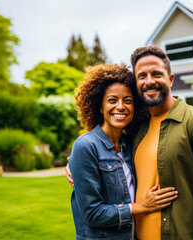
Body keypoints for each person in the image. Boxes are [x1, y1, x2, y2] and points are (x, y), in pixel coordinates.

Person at [67, 47, 193, 240]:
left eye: (156, 74)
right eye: (142, 76)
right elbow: (103, 157)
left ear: (170, 79)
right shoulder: (136, 129)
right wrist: (74, 165)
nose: (149, 81)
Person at [69, 63, 178, 240]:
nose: (121, 107)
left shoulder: (131, 144)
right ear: (100, 106)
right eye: (112, 100)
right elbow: (92, 214)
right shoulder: (86, 146)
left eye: (128, 101)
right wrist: (142, 206)